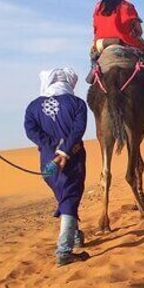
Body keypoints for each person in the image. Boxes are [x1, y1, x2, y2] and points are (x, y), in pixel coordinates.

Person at [24, 68, 90, 267]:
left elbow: (31, 131)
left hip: (47, 162)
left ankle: (76, 235)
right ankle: (64, 250)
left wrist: (52, 147)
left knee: (63, 194)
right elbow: (78, 130)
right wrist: (64, 150)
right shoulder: (77, 104)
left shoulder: (33, 107)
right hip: (73, 158)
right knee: (70, 196)